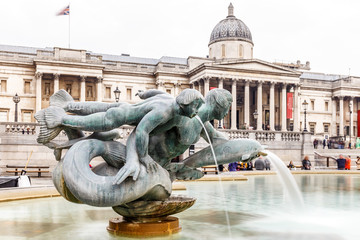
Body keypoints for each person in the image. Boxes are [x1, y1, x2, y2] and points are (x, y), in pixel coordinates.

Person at [35, 89, 204, 171]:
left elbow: (156, 92)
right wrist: (144, 157)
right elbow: (142, 131)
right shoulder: (164, 112)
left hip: (124, 108)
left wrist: (142, 94)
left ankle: (68, 104)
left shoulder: (169, 100)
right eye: (196, 107)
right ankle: (60, 118)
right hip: (121, 117)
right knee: (95, 121)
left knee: (102, 107)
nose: (197, 112)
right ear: (187, 104)